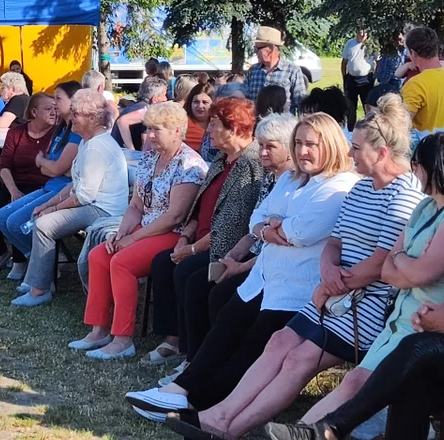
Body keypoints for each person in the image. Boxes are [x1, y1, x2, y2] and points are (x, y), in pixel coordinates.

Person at [172, 95, 424, 439]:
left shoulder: (404, 196)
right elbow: (335, 241)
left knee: (298, 358)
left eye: (357, 148)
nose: (350, 155)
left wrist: (335, 281)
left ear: (381, 153)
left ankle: (231, 428)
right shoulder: (363, 187)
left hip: (367, 304)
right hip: (333, 290)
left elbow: (382, 263)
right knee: (278, 342)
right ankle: (219, 415)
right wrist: (329, 273)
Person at [263, 132, 444, 440]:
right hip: (402, 320)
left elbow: (417, 274)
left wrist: (402, 261)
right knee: (354, 382)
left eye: (416, 165)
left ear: (433, 167)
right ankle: (308, 433)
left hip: (431, 323)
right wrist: (404, 263)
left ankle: (310, 433)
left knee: (359, 384)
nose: (413, 172)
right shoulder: (426, 208)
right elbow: (389, 270)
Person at [126, 113, 357, 420]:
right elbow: (256, 218)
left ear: (331, 145)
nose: (303, 151)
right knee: (225, 326)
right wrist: (273, 228)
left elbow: (303, 232)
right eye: (298, 143)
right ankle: (180, 390)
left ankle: (199, 402)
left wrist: (274, 226)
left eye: (311, 145)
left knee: (251, 344)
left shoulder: (340, 185)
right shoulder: (292, 177)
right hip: (265, 276)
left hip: (299, 287)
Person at [71, 102, 208, 360]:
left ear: (177, 130)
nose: (150, 136)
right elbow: (136, 204)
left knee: (122, 262)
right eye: (148, 129)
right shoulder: (149, 158)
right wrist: (122, 233)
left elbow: (175, 216)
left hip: (173, 233)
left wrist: (132, 238)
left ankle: (123, 339)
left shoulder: (190, 164)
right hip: (145, 227)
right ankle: (99, 329)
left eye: (157, 130)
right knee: (99, 255)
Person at [148, 98, 269, 373]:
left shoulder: (250, 165)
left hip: (225, 247)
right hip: (199, 238)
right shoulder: (220, 158)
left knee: (188, 273)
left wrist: (191, 250)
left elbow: (232, 225)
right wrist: (185, 237)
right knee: (163, 263)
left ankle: (194, 353)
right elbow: (199, 205)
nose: (208, 130)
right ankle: (174, 339)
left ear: (234, 128)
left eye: (214, 124)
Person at [12, 90, 130, 308]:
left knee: (45, 224)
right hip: (94, 204)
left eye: (76, 114)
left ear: (93, 118)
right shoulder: (88, 141)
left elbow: (84, 195)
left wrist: (53, 209)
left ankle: (40, 289)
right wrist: (48, 204)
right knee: (43, 217)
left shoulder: (96, 146)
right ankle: (38, 281)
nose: (70, 117)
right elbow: (75, 184)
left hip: (104, 210)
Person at [0, 81, 83, 281]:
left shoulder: (76, 132)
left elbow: (55, 167)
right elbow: (51, 168)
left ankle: (42, 271)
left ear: (73, 101)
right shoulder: (62, 128)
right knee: (2, 217)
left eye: (58, 98)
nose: (54, 104)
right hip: (50, 185)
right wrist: (51, 166)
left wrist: (48, 164)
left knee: (16, 222)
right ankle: (43, 262)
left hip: (63, 190)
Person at [0, 94, 58, 272]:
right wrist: (13, 190)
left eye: (55, 108)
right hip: (14, 183)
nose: (54, 112)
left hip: (41, 187)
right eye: (48, 108)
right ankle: (1, 253)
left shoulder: (57, 134)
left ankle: (20, 260)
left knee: (18, 217)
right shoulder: (16, 132)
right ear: (34, 111)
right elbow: (4, 165)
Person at [397, 26, 444, 136]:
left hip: (421, 148)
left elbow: (400, 125)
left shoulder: (416, 84)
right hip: (443, 146)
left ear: (414, 53)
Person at [244, 27, 307, 113]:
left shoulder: (292, 71)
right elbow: (245, 100)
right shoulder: (253, 71)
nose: (255, 52)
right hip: (256, 125)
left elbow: (301, 103)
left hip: (282, 124)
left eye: (257, 49)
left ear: (270, 49)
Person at [113, 75, 169, 150]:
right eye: (164, 95)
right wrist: (131, 149)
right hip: (125, 154)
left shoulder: (132, 107)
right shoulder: (146, 110)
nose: (166, 99)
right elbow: (122, 121)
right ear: (155, 99)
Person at [341, 29, 374, 132]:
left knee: (368, 106)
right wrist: (345, 77)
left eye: (365, 33)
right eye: (360, 33)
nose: (363, 35)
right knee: (350, 107)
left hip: (366, 80)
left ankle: (369, 129)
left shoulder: (371, 45)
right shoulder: (350, 43)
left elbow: (378, 61)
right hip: (351, 79)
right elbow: (344, 62)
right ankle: (351, 130)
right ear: (356, 33)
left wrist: (374, 76)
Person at [182, 82, 213, 153]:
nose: (200, 106)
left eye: (205, 102)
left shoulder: (220, 124)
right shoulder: (182, 122)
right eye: (196, 102)